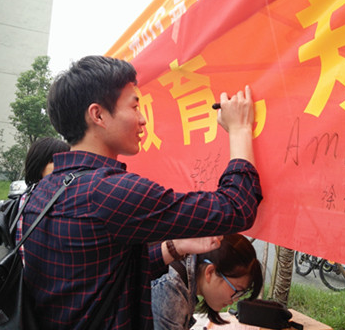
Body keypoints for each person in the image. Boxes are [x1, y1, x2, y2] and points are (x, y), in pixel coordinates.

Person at [20, 55, 263, 329]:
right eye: (134, 107)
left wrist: (178, 246)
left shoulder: (41, 192)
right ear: (98, 115)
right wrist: (239, 129)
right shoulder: (110, 192)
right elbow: (236, 208)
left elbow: (103, 275)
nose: (143, 119)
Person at [152, 233, 263, 330]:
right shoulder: (170, 292)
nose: (235, 299)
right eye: (237, 291)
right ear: (210, 272)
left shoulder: (183, 284)